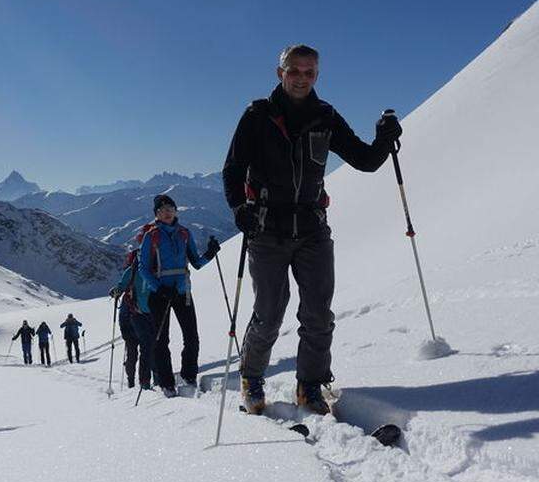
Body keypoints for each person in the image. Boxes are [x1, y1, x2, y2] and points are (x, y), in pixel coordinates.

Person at [222, 44, 401, 415]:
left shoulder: (325, 116)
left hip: (312, 229)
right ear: (280, 73)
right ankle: (251, 376)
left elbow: (365, 160)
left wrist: (385, 139)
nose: (301, 78)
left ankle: (310, 386)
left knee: (318, 313)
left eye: (309, 72)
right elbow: (233, 170)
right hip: (267, 228)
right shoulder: (258, 115)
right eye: (294, 71)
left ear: (316, 75)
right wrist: (239, 207)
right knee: (270, 311)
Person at [138, 194, 221, 397]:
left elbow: (196, 262)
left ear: (176, 211)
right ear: (157, 214)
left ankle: (189, 375)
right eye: (162, 210)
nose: (167, 212)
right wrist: (158, 288)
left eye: (170, 209)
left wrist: (210, 253)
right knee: (161, 340)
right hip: (160, 295)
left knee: (191, 336)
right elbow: (143, 268)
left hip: (182, 291)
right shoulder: (152, 236)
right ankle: (166, 382)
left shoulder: (184, 233)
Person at [110, 249, 155, 389]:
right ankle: (150, 378)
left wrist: (115, 292)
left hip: (128, 319)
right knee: (147, 347)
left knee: (132, 351)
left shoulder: (130, 273)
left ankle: (131, 379)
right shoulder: (148, 271)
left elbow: (119, 288)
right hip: (142, 315)